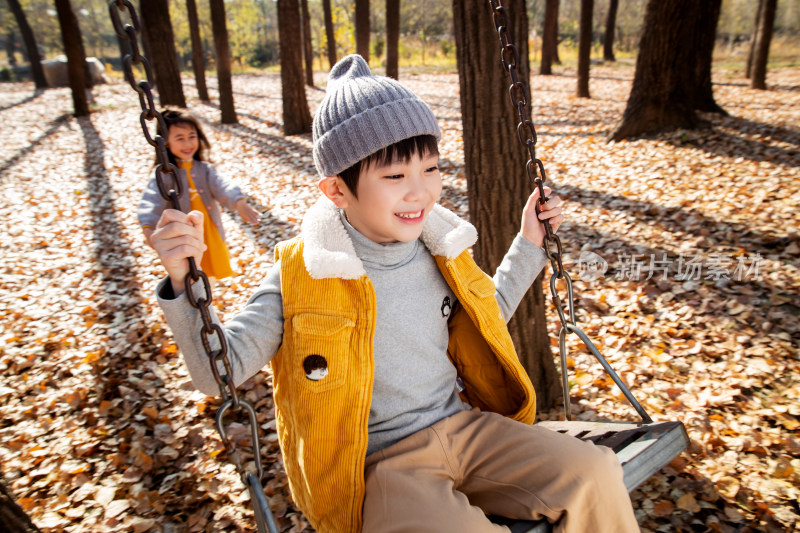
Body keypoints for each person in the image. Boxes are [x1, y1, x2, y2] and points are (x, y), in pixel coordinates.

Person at [150, 56, 639, 533]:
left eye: (430, 169)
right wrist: (180, 280)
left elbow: (487, 313)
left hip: (467, 431)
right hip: (385, 465)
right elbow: (220, 372)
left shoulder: (439, 247)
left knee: (592, 473)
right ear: (337, 191)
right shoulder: (302, 275)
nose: (421, 193)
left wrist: (530, 243)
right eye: (394, 176)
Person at [138, 107, 261, 282]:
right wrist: (148, 229)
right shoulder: (164, 176)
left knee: (209, 273)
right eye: (180, 138)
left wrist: (239, 202)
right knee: (188, 274)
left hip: (209, 233)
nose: (187, 144)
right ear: (165, 142)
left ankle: (208, 298)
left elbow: (223, 185)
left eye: (191, 137)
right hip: (182, 237)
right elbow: (151, 201)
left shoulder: (204, 169)